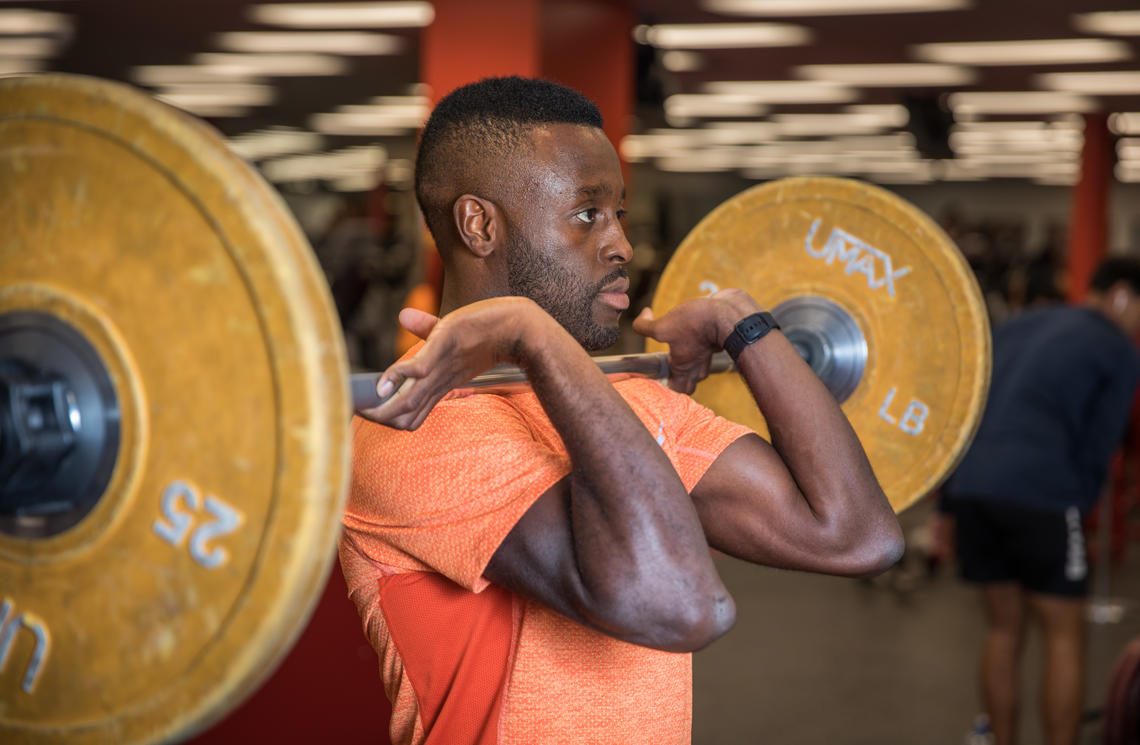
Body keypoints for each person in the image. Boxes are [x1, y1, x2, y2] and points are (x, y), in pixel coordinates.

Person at [339, 76, 903, 745]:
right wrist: (535, 334)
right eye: (587, 215)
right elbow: (679, 605)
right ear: (479, 224)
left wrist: (744, 323)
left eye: (619, 215)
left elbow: (856, 535)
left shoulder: (627, 400)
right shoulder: (413, 432)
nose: (621, 246)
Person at [937, 256, 1140, 745]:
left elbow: (968, 407)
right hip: (1044, 494)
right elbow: (1101, 444)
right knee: (1065, 634)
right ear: (1120, 295)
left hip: (975, 488)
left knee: (1004, 630)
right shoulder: (1118, 346)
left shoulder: (1019, 324)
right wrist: (1079, 507)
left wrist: (947, 505)